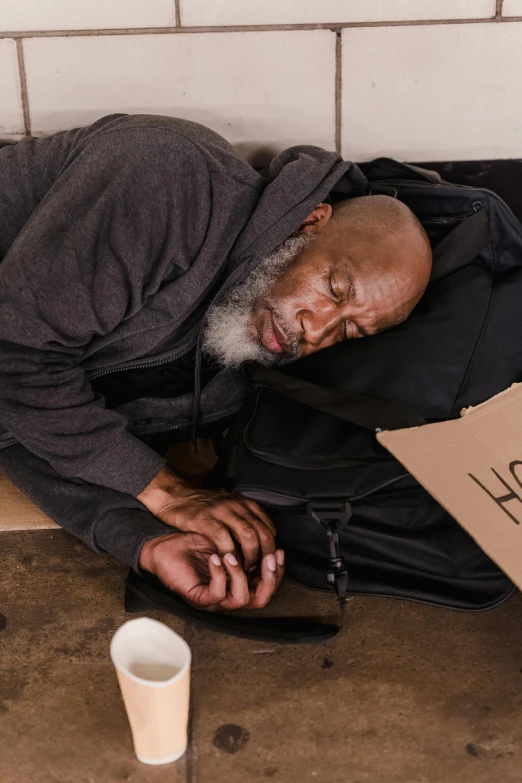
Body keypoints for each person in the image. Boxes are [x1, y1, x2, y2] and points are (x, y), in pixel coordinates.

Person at [0, 114, 432, 612]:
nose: (317, 330)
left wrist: (143, 539)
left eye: (350, 330)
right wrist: (163, 491)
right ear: (311, 221)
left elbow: (27, 420)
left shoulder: (226, 368)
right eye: (336, 290)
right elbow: (15, 358)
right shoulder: (172, 178)